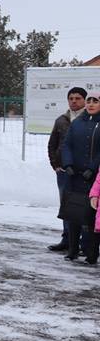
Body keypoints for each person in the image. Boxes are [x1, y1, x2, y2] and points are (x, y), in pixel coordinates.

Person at [60, 90, 100, 263]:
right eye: (89, 100)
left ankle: (91, 252)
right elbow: (67, 144)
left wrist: (92, 168)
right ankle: (72, 249)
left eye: (95, 101)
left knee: (91, 217)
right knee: (73, 214)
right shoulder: (77, 123)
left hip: (93, 178)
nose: (90, 104)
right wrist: (67, 164)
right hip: (74, 176)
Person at [48, 87, 86, 252]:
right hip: (64, 171)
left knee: (85, 206)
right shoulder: (61, 120)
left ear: (85, 100)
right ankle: (67, 239)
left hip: (85, 172)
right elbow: (52, 144)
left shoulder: (91, 119)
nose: (74, 101)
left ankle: (86, 243)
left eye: (78, 98)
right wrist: (55, 164)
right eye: (71, 98)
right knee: (66, 205)